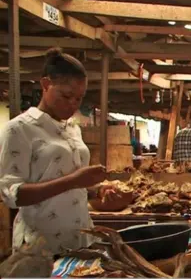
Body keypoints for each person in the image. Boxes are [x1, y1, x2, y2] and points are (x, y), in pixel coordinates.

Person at [0, 48, 119, 254]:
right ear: (46, 84)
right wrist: (74, 180)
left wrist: (95, 190)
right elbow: (12, 195)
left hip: (81, 239)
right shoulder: (19, 129)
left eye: (79, 99)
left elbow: (71, 185)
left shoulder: (72, 128)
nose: (73, 104)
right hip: (40, 246)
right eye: (66, 96)